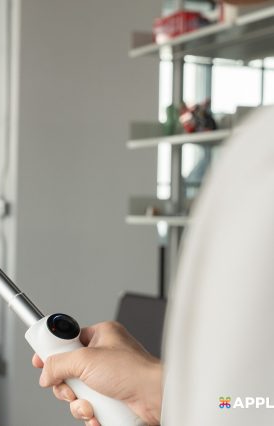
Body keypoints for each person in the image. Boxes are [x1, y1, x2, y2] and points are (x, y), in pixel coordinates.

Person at [32, 2, 272, 425]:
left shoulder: (261, 153)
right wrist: (160, 391)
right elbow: (248, 403)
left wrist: (168, 394)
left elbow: (242, 406)